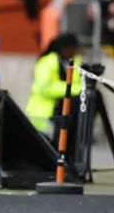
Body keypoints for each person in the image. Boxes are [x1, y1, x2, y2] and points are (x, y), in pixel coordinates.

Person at [25, 33, 83, 163]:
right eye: (74, 49)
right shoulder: (47, 62)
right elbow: (45, 88)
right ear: (65, 48)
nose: (75, 52)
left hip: (65, 113)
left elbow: (78, 82)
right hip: (43, 116)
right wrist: (76, 89)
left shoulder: (74, 62)